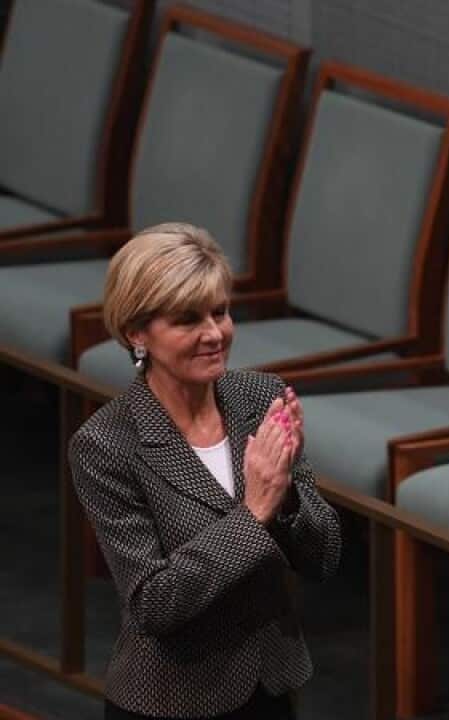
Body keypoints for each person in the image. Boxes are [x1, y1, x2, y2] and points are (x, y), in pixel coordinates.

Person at [68, 223, 342, 720]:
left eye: (220, 312)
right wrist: (254, 512)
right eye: (187, 320)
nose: (214, 334)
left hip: (270, 687)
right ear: (136, 333)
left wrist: (287, 497)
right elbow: (155, 603)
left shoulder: (261, 399)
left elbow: (323, 558)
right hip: (171, 702)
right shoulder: (106, 445)